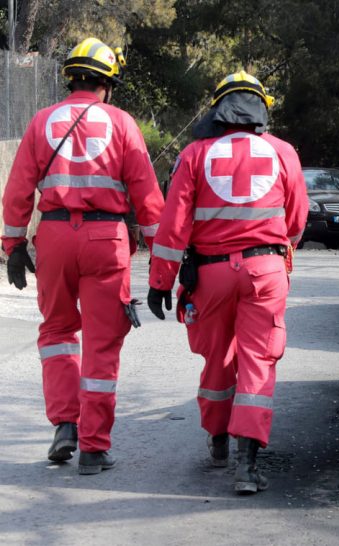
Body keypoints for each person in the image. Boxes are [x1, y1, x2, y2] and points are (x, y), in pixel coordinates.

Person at [1, 38, 165, 474]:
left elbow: (17, 190)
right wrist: (167, 265)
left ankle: (64, 425)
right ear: (107, 84)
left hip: (53, 236)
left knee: (56, 332)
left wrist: (13, 245)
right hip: (104, 240)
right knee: (101, 341)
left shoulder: (41, 122)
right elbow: (148, 199)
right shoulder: (123, 123)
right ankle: (93, 448)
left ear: (70, 77)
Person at [147, 71, 308, 494]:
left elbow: (173, 224)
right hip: (265, 273)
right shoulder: (283, 152)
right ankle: (248, 464)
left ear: (217, 108)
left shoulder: (195, 153)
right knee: (258, 360)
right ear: (261, 108)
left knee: (217, 358)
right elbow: (296, 221)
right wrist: (278, 253)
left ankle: (218, 441)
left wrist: (160, 282)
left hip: (210, 274)